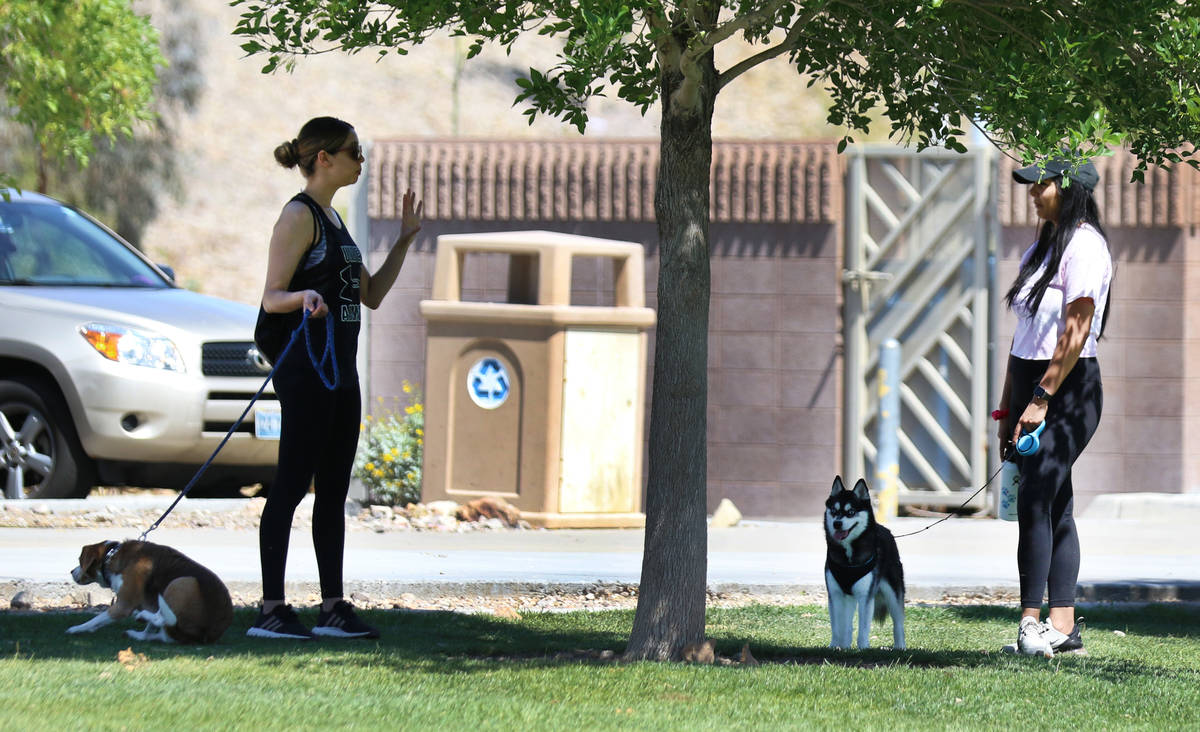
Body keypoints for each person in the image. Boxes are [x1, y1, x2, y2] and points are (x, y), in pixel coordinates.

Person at [248, 116, 422, 639]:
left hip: (340, 374)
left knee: (333, 490)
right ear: (323, 158)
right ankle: (271, 610)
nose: (360, 160)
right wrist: (304, 296)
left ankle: (331, 608)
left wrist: (405, 240)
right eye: (353, 151)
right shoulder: (298, 216)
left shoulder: (334, 218)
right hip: (307, 372)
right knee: (291, 485)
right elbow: (271, 297)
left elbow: (371, 295)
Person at [998, 156, 1111, 657]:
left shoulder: (1086, 246)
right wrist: (1008, 405)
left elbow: (1076, 328)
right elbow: (1023, 336)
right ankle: (1063, 629)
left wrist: (1042, 397)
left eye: (1040, 184)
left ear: (1068, 190)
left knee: (1036, 496)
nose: (1031, 192)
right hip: (1031, 386)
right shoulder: (1042, 247)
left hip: (1068, 389)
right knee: (1055, 502)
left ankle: (1029, 623)